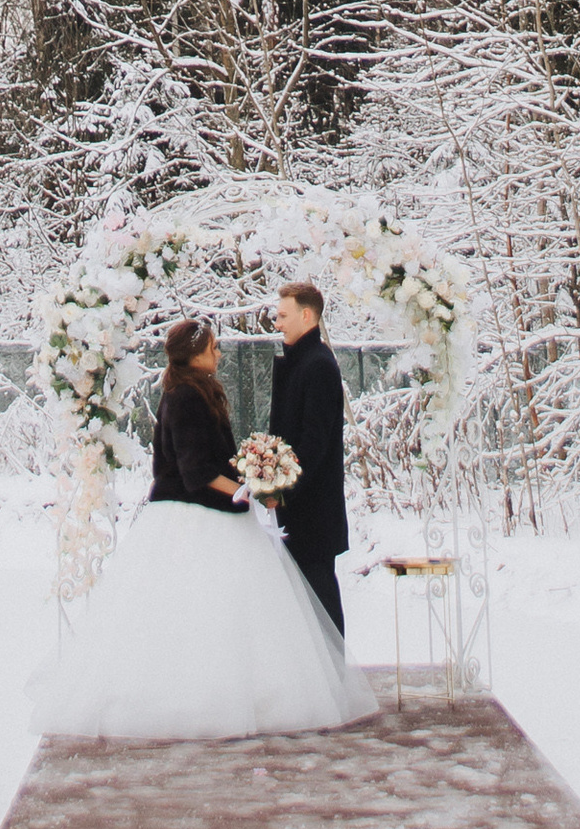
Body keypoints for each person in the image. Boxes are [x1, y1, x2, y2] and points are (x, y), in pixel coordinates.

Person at [29, 314, 376, 742]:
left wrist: (252, 478)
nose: (218, 352)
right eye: (212, 346)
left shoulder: (197, 390)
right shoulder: (186, 397)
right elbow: (196, 470)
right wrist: (247, 487)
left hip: (214, 511)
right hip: (190, 516)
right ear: (194, 353)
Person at [267, 279, 351, 636]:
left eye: (283, 314)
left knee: (319, 608)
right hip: (301, 511)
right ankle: (319, 684)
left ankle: (331, 685)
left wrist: (281, 490)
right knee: (304, 610)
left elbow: (312, 446)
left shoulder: (317, 366)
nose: (277, 322)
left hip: (312, 513)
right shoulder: (305, 362)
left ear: (306, 315)